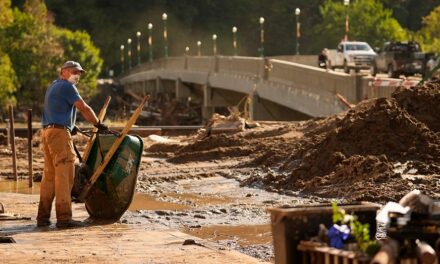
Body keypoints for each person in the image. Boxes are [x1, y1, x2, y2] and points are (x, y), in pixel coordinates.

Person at [37, 61, 107, 228]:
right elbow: (83, 107)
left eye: (80, 73)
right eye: (75, 71)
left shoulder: (53, 86)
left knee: (50, 177)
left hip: (47, 133)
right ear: (64, 71)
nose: (78, 75)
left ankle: (42, 217)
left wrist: (70, 124)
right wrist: (98, 124)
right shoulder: (68, 87)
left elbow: (55, 109)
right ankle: (64, 218)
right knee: (65, 175)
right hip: (59, 135)